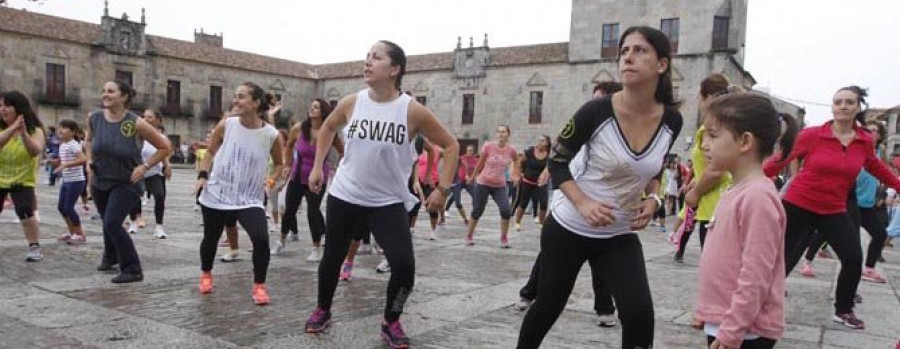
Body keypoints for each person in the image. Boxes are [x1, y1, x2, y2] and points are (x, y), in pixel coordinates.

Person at [517, 26, 682, 349]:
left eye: (639, 50)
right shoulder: (596, 111)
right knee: (549, 306)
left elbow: (654, 168)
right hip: (568, 228)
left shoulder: (671, 121)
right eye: (624, 51)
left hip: (618, 234)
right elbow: (557, 162)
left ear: (661, 65)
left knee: (639, 314)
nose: (628, 57)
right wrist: (584, 203)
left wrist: (653, 199)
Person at [303, 40, 459, 349]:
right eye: (366, 57)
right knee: (332, 257)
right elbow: (328, 127)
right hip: (345, 195)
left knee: (404, 266)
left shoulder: (412, 111)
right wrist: (318, 166)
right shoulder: (352, 102)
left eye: (376, 58)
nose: (367, 62)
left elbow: (451, 145)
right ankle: (323, 308)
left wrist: (442, 188)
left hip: (386, 202)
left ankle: (391, 320)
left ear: (395, 69)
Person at [763, 85, 900, 329]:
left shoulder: (863, 141)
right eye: (838, 102)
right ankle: (762, 300)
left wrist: (898, 185)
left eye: (849, 102)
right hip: (799, 203)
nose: (843, 106)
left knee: (853, 257)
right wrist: (753, 177)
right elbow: (783, 158)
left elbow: (874, 166)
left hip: (834, 208)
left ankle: (843, 309)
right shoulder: (813, 134)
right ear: (833, 107)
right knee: (783, 257)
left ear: (858, 107)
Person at [693, 93, 799, 349]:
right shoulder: (735, 190)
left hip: (746, 331)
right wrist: (708, 312)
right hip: (728, 321)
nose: (704, 145)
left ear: (745, 142)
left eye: (713, 135)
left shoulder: (758, 198)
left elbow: (756, 275)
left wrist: (732, 329)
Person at [196, 82, 283, 305]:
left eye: (241, 97)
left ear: (255, 103)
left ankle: (259, 286)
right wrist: (203, 176)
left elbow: (280, 164)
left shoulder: (271, 134)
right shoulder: (227, 125)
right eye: (235, 96)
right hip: (218, 192)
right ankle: (206, 273)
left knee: (261, 239)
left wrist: (271, 179)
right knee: (211, 238)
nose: (236, 101)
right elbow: (209, 153)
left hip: (249, 197)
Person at [86, 81, 172, 283]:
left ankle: (133, 268)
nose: (105, 95)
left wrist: (144, 167)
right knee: (107, 220)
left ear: (124, 97)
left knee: (112, 222)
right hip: (100, 179)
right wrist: (89, 159)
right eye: (103, 91)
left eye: (110, 91)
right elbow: (89, 140)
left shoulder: (135, 122)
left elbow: (164, 147)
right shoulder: (94, 118)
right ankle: (110, 256)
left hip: (126, 182)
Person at [673, 73, 733, 263]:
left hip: (713, 204)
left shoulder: (711, 127)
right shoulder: (725, 125)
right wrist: (696, 181)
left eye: (700, 96)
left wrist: (696, 192)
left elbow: (717, 169)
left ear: (708, 98)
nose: (698, 100)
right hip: (714, 202)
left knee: (713, 269)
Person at [275, 98, 343, 260]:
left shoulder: (329, 131)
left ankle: (316, 247)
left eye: (316, 107)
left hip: (319, 176)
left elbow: (342, 150)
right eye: (311, 107)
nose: (312, 110)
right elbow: (289, 145)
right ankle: (281, 241)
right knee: (290, 209)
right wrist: (287, 165)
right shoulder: (298, 128)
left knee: (312, 211)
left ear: (323, 112)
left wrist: (339, 168)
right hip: (298, 174)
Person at [0, 91, 46, 261]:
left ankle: (34, 246)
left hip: (22, 178)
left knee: (25, 211)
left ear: (18, 108)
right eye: (1, 106)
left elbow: (35, 151)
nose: (3, 110)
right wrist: (13, 128)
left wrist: (24, 133)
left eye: (7, 106)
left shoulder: (36, 130)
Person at [465, 125, 517, 248]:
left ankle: (504, 237)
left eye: (503, 132)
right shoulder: (489, 147)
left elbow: (516, 160)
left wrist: (516, 174)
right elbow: (480, 162)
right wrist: (473, 177)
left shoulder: (511, 150)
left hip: (500, 185)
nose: (501, 134)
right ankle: (469, 235)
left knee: (506, 210)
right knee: (478, 210)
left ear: (508, 134)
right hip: (483, 183)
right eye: (499, 132)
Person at [128, 109, 171, 239]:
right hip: (137, 171)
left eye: (150, 117)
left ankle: (159, 226)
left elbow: (164, 152)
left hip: (154, 171)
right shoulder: (135, 134)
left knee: (159, 195)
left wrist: (167, 165)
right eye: (144, 117)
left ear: (158, 120)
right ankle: (133, 222)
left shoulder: (161, 137)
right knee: (134, 197)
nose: (146, 119)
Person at [54, 119, 88, 244]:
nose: (60, 130)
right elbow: (64, 160)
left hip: (76, 181)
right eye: (60, 127)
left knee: (68, 207)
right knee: (61, 207)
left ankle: (80, 234)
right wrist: (54, 162)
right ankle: (71, 232)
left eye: (64, 128)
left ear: (73, 132)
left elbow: (83, 159)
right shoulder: (63, 144)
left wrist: (66, 164)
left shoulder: (73, 144)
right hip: (66, 180)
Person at [513, 135, 550, 230]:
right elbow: (520, 161)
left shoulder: (549, 153)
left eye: (542, 141)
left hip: (541, 183)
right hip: (527, 181)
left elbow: (550, 166)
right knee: (523, 203)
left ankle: (541, 223)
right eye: (538, 140)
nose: (539, 142)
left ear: (547, 143)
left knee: (544, 203)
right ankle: (517, 222)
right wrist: (519, 173)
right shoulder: (530, 151)